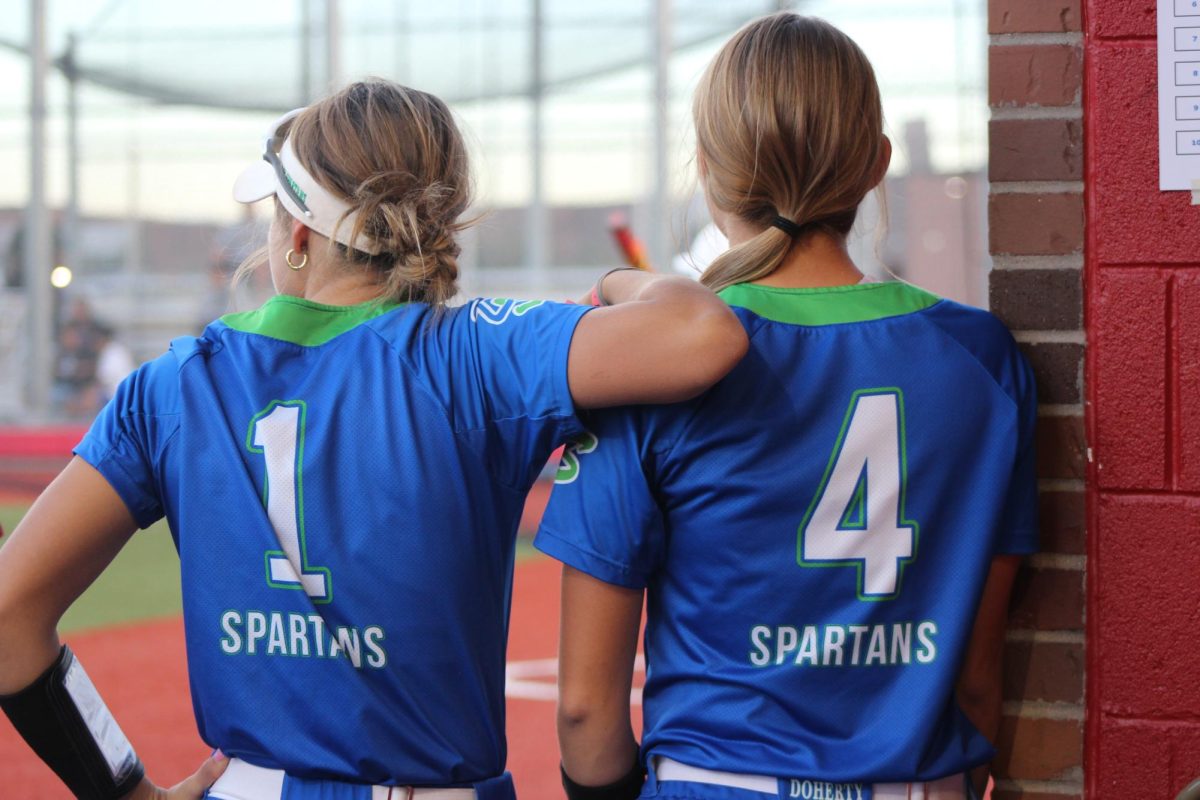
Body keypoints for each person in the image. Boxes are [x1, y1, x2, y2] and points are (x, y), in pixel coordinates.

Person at [0, 79, 748, 800]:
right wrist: (619, 281)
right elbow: (700, 334)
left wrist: (125, 788)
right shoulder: (476, 358)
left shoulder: (172, 387)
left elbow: (9, 617)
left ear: (297, 234)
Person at [535, 14, 1036, 800]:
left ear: (708, 169)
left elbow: (584, 713)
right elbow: (978, 675)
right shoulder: (983, 357)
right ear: (877, 165)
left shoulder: (648, 367)